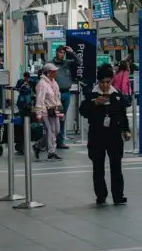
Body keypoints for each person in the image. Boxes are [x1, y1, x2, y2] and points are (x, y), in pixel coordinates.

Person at [80, 64, 130, 206]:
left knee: (116, 166)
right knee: (98, 166)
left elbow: (122, 114)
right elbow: (83, 111)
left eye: (108, 82)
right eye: (103, 82)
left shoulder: (117, 95)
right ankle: (101, 195)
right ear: (99, 82)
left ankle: (118, 195)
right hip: (97, 135)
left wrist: (126, 130)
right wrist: (94, 103)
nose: (105, 85)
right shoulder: (91, 94)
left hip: (113, 135)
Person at [34, 63, 64, 161]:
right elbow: (39, 99)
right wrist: (39, 113)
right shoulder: (41, 84)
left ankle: (38, 146)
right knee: (50, 131)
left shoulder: (54, 82)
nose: (55, 73)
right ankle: (51, 152)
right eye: (53, 71)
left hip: (54, 110)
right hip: (45, 111)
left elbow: (57, 97)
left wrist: (59, 109)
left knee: (56, 131)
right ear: (48, 72)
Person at [52, 46, 77, 150]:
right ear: (56, 52)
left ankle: (60, 142)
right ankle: (51, 140)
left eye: (64, 53)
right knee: (53, 118)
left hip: (66, 93)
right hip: (55, 94)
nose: (62, 54)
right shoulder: (50, 64)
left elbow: (79, 62)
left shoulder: (67, 63)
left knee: (62, 118)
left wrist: (72, 52)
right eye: (61, 52)